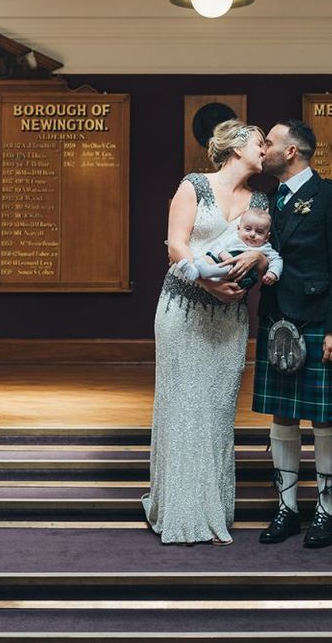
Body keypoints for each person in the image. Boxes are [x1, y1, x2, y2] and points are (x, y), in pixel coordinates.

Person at [142, 119, 269, 545]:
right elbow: (176, 245)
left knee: (216, 411)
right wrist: (207, 282)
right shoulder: (193, 185)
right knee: (182, 407)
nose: (265, 149)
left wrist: (253, 271)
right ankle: (178, 512)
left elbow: (264, 254)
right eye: (259, 142)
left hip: (230, 319)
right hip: (183, 308)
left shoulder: (261, 199)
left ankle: (212, 510)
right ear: (236, 148)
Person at [252, 118, 332, 549]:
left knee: (325, 418)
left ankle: (325, 509)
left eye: (270, 144)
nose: (264, 151)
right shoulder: (268, 199)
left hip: (318, 322)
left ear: (291, 151)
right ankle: (287, 508)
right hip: (277, 319)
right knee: (282, 416)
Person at [176, 207, 283, 289]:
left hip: (241, 276)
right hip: (221, 265)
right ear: (238, 228)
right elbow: (216, 247)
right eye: (248, 229)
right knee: (206, 258)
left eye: (259, 232)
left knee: (234, 265)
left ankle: (207, 272)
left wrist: (272, 273)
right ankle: (194, 271)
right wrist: (222, 254)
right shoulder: (233, 239)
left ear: (267, 237)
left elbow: (277, 260)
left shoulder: (265, 247)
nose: (252, 234)